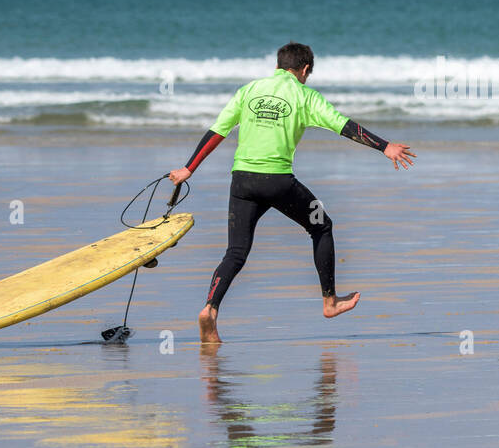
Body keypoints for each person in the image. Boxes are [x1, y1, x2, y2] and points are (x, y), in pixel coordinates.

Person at [167, 42, 416, 344]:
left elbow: (218, 130)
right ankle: (330, 302)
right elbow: (343, 126)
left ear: (277, 65)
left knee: (236, 252)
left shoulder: (249, 91)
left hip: (242, 182)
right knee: (321, 225)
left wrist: (188, 168)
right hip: (278, 183)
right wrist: (384, 146)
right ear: (305, 70)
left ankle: (210, 309)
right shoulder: (304, 95)